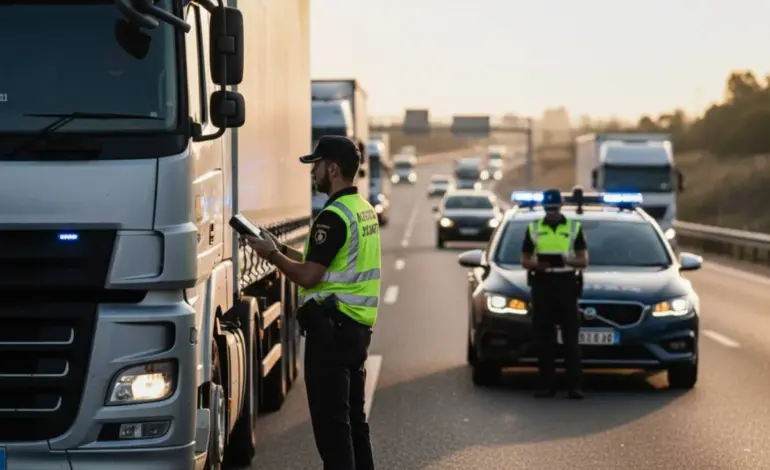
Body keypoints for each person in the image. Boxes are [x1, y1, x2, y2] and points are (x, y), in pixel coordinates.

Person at [245, 135, 379, 470]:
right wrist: (281, 248)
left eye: (316, 166)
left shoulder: (333, 216)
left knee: (333, 434)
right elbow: (318, 263)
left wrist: (272, 256)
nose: (312, 173)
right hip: (355, 330)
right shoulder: (363, 210)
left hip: (331, 335)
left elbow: (309, 277)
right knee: (355, 425)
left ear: (332, 168)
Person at [520, 188, 588, 399]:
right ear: (543, 208)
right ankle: (546, 385)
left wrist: (565, 260)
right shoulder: (533, 228)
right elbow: (524, 260)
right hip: (542, 284)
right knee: (543, 338)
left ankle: (574, 387)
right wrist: (538, 265)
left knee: (570, 339)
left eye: (554, 208)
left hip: (566, 284)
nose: (551, 212)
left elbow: (583, 260)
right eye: (548, 208)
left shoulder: (574, 227)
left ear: (561, 206)